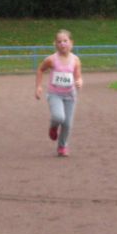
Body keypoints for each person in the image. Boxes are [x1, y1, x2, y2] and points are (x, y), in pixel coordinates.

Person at [35, 29, 83, 157]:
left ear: (71, 43)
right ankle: (53, 126)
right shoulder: (51, 59)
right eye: (59, 41)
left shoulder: (75, 60)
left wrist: (79, 81)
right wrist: (38, 86)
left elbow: (78, 76)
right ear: (55, 44)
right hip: (55, 94)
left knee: (67, 124)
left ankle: (62, 147)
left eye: (65, 41)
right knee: (58, 117)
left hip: (70, 95)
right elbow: (40, 70)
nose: (62, 44)